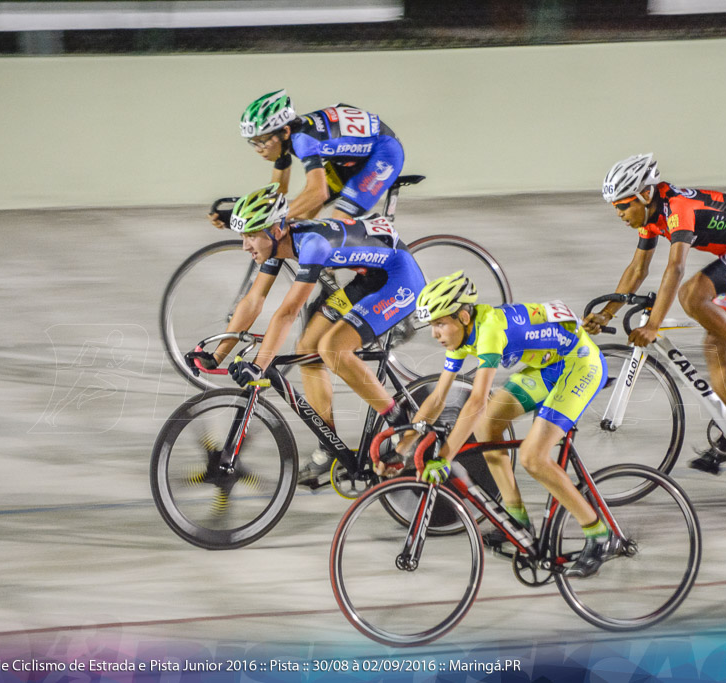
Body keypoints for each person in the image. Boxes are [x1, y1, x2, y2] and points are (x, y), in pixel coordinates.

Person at [186, 184, 425, 487]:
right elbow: (252, 301)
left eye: (251, 236)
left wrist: (259, 365)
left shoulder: (311, 245)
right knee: (307, 349)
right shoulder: (276, 244)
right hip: (368, 278)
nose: (245, 245)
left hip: (398, 278)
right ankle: (330, 447)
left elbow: (287, 312)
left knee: (333, 349)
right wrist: (217, 354)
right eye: (243, 236)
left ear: (275, 229)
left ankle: (404, 424)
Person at [395, 271, 613, 578]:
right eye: (432, 325)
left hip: (580, 364)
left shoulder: (490, 330)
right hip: (548, 366)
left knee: (533, 458)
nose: (434, 333)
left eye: (439, 323)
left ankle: (599, 534)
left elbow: (475, 401)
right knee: (486, 428)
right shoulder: (460, 335)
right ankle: (517, 520)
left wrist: (444, 456)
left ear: (462, 315)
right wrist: (401, 449)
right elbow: (436, 399)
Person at [583, 153, 726, 475]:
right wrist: (607, 314)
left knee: (692, 295)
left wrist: (653, 325)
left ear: (644, 195)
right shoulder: (652, 215)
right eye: (616, 208)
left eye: (623, 206)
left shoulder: (677, 207)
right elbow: (638, 269)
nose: (620, 214)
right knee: (713, 343)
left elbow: (676, 267)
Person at [210, 89, 404, 227]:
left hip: (383, 154)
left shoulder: (304, 140)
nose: (258, 149)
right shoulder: (286, 140)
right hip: (352, 157)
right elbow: (277, 191)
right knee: (301, 217)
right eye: (253, 142)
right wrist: (238, 216)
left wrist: (271, 218)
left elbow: (318, 192)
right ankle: (327, 277)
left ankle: (372, 274)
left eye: (262, 141)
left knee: (338, 224)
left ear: (284, 131)